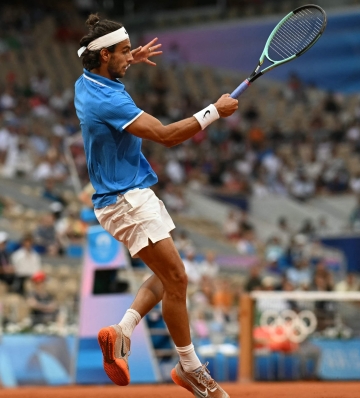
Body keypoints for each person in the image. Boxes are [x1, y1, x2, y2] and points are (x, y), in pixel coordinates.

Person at [74, 14, 237, 396]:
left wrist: (127, 57)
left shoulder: (87, 81)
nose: (131, 57)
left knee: (167, 278)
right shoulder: (109, 99)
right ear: (104, 57)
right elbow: (165, 136)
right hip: (125, 199)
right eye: (124, 51)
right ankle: (190, 369)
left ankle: (122, 331)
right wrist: (214, 111)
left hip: (128, 195)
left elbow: (102, 60)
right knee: (178, 279)